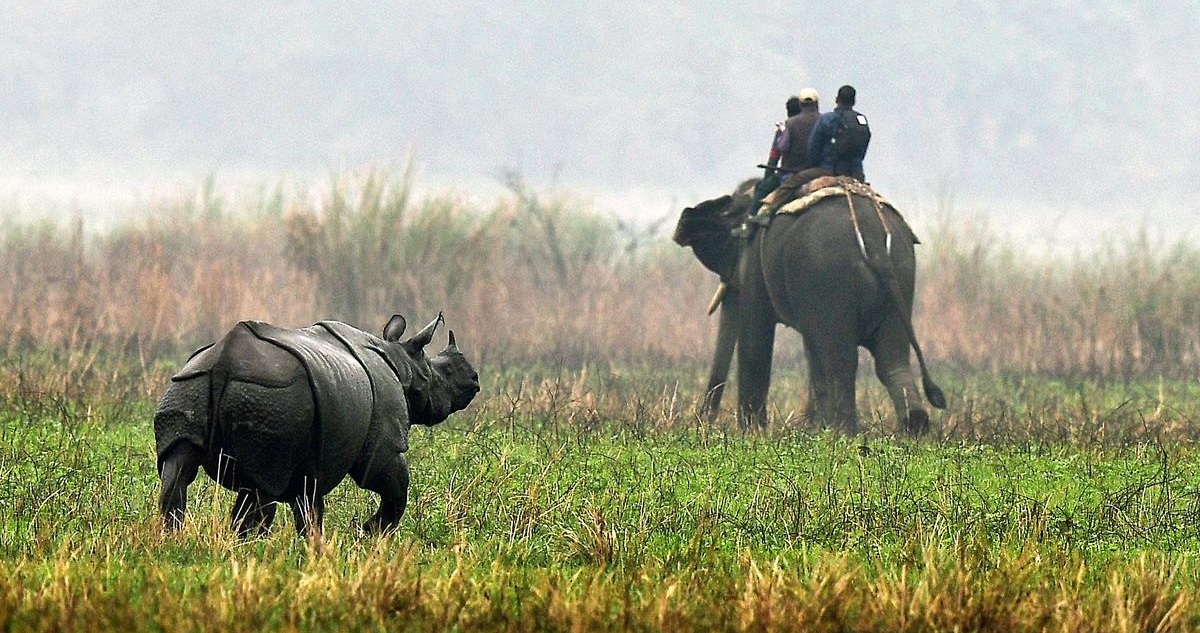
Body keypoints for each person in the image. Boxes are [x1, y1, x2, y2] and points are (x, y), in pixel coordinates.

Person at [807, 84, 871, 181]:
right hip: (857, 174)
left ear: (837, 99)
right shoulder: (861, 120)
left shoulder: (827, 119)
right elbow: (864, 146)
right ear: (854, 102)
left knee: (793, 182)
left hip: (828, 171)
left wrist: (813, 166)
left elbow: (813, 148)